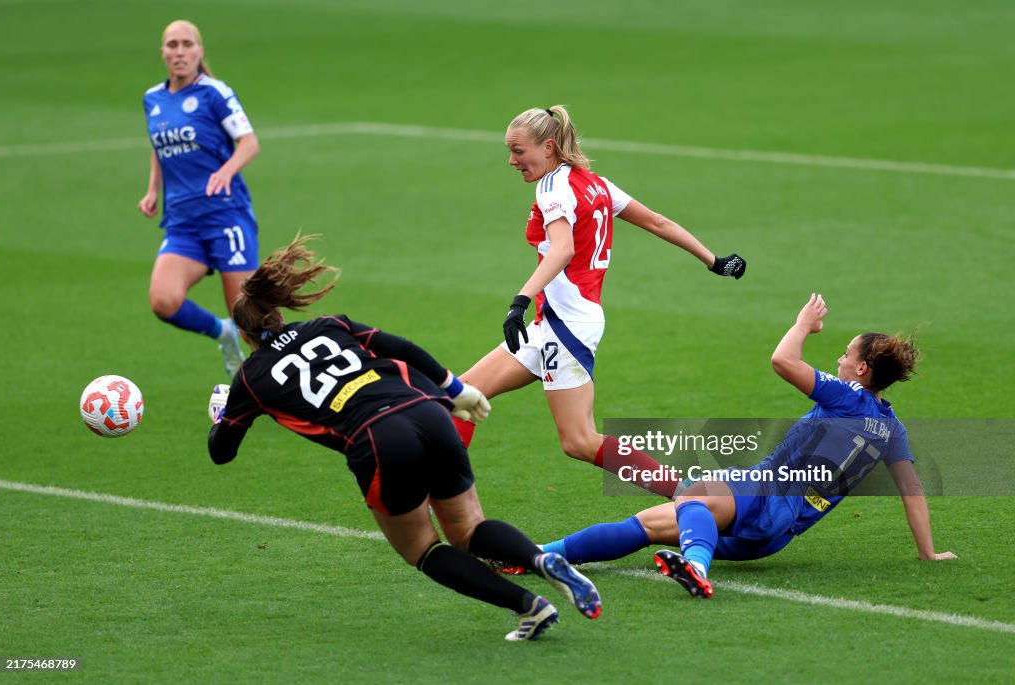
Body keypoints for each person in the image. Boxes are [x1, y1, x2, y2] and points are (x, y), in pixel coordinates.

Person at [207, 235, 603, 640]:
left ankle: (530, 607)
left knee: (422, 549)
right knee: (468, 529)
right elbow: (397, 346)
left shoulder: (250, 379)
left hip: (377, 439)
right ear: (278, 312)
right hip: (427, 411)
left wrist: (222, 417)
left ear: (245, 334)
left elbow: (221, 453)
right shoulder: (328, 325)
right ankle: (540, 561)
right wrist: (454, 389)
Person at [529, 294, 957, 597]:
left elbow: (783, 361)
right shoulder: (891, 427)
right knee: (648, 524)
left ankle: (696, 567)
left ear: (861, 369)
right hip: (776, 534)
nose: (839, 360)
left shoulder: (848, 396)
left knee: (694, 494)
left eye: (846, 355)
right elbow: (912, 490)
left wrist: (802, 325)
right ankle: (535, 556)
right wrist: (928, 553)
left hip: (768, 493)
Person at [454, 105, 747, 498]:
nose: (512, 160)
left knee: (578, 440)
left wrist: (519, 301)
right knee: (461, 395)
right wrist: (714, 261)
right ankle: (445, 499)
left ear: (548, 146)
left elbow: (561, 250)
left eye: (518, 151)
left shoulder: (553, 188)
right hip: (553, 322)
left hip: (567, 326)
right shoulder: (596, 184)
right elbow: (658, 221)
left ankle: (690, 494)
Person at [138, 19, 261, 377]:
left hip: (226, 217)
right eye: (172, 45)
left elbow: (249, 142)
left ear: (199, 51)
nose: (180, 52)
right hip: (183, 222)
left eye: (187, 44)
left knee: (250, 320)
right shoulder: (153, 99)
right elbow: (159, 147)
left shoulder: (215, 93)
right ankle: (221, 333)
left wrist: (226, 171)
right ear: (162, 52)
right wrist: (152, 190)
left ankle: (277, 387)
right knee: (163, 300)